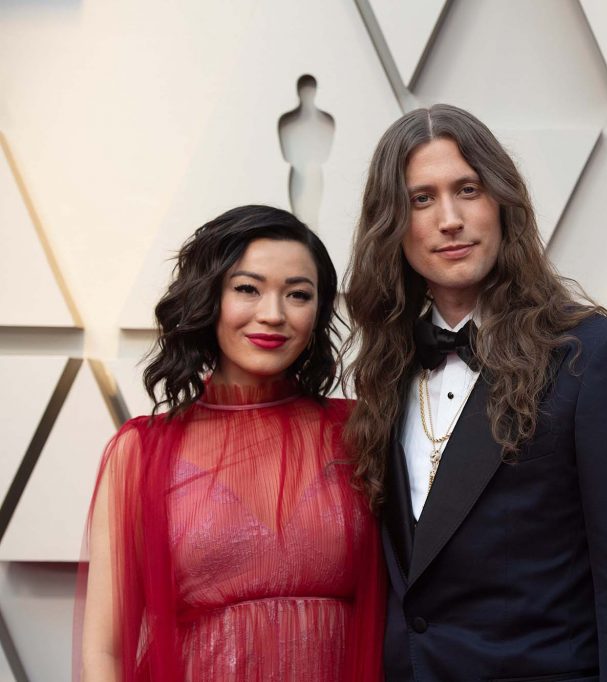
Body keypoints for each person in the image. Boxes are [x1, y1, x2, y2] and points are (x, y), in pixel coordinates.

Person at [343, 104, 607, 681]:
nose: (448, 219)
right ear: (393, 225)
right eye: (421, 199)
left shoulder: (599, 359)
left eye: (467, 189)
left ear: (503, 203)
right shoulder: (387, 368)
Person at [76, 205, 384, 681]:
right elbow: (106, 653)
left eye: (298, 295)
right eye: (247, 289)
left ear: (318, 312)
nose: (273, 314)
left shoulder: (360, 431)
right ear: (208, 298)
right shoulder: (141, 453)